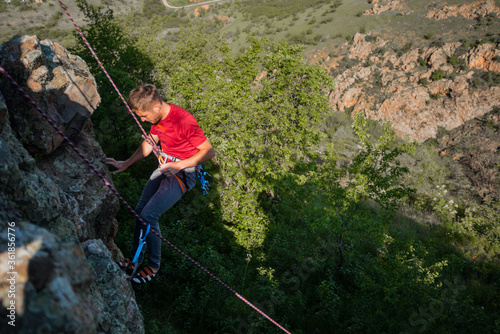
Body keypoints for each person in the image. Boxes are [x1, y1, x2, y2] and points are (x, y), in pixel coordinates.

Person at [106, 84, 215, 284]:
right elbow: (149, 143)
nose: (142, 120)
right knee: (140, 211)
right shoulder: (158, 119)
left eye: (144, 116)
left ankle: (154, 266)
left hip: (183, 173)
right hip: (166, 167)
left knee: (149, 215)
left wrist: (179, 164)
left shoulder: (183, 120)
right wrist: (127, 163)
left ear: (156, 107)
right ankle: (135, 260)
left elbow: (209, 151)